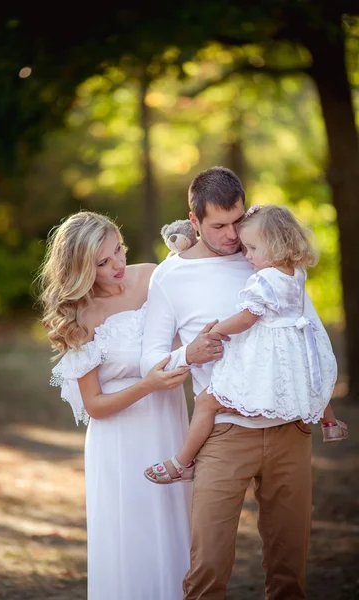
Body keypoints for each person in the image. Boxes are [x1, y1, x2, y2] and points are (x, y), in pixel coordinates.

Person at [140, 166, 331, 599]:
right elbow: (149, 362)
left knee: (288, 573)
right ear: (194, 222)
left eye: (237, 221)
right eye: (218, 226)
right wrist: (188, 355)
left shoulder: (268, 254)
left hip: (289, 430)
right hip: (223, 432)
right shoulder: (170, 277)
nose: (231, 236)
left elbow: (307, 330)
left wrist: (322, 407)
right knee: (207, 570)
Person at [38, 210, 192, 600]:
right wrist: (149, 384)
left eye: (118, 251)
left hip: (169, 424)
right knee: (132, 535)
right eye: (103, 263)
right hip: (120, 439)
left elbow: (186, 329)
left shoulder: (154, 276)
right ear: (80, 269)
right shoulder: (80, 315)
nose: (118, 266)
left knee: (176, 526)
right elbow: (94, 405)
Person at [144, 203, 347, 487]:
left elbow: (245, 319)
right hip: (295, 348)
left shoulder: (263, 279)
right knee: (313, 374)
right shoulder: (296, 272)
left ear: (274, 247)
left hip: (261, 357)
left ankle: (182, 462)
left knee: (206, 402)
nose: (245, 254)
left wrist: (215, 331)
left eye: (251, 248)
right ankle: (330, 424)